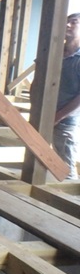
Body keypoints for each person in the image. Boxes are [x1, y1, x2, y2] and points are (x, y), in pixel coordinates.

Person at [54, 12, 80, 180]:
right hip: (44, 117)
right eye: (66, 22)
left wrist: (58, 116)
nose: (68, 25)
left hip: (65, 122)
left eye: (74, 22)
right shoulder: (54, 53)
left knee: (66, 172)